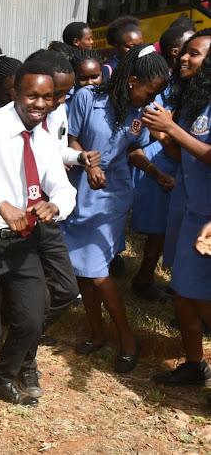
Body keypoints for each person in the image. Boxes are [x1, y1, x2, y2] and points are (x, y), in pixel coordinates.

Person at [0, 60, 76, 418]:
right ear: (15, 93)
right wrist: (0, 204)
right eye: (32, 96)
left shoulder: (45, 136)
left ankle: (6, 376)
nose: (39, 104)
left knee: (31, 318)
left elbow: (62, 187)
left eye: (47, 98)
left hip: (24, 243)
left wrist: (55, 206)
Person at [61, 44, 169, 373]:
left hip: (113, 195)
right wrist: (88, 164)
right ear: (132, 81)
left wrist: (155, 172)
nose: (152, 101)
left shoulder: (141, 115)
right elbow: (71, 139)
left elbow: (133, 151)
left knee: (95, 270)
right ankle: (97, 332)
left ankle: (127, 338)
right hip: (79, 191)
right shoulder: (87, 98)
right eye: (150, 92)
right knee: (82, 272)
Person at [142, 29, 211, 388]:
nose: (184, 58)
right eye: (185, 52)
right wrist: (166, 138)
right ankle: (194, 364)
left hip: (207, 220)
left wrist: (173, 129)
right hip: (188, 209)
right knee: (184, 291)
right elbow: (184, 156)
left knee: (202, 297)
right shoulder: (194, 101)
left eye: (195, 54)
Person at [22, 50, 96, 356]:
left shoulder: (59, 112)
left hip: (51, 209)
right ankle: (21, 340)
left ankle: (30, 331)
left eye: (66, 93)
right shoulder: (18, 116)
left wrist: (79, 157)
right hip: (21, 212)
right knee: (25, 286)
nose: (63, 100)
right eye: (60, 93)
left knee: (66, 289)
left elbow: (57, 150)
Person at [129, 25, 194, 303]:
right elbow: (153, 122)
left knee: (171, 228)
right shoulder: (162, 81)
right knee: (157, 229)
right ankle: (143, 279)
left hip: (178, 157)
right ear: (176, 52)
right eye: (190, 49)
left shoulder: (188, 83)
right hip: (162, 158)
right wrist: (168, 141)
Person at [102, 15, 143, 82]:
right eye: (130, 47)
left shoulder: (144, 66)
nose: (137, 50)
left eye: (140, 45)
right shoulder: (108, 70)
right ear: (116, 47)